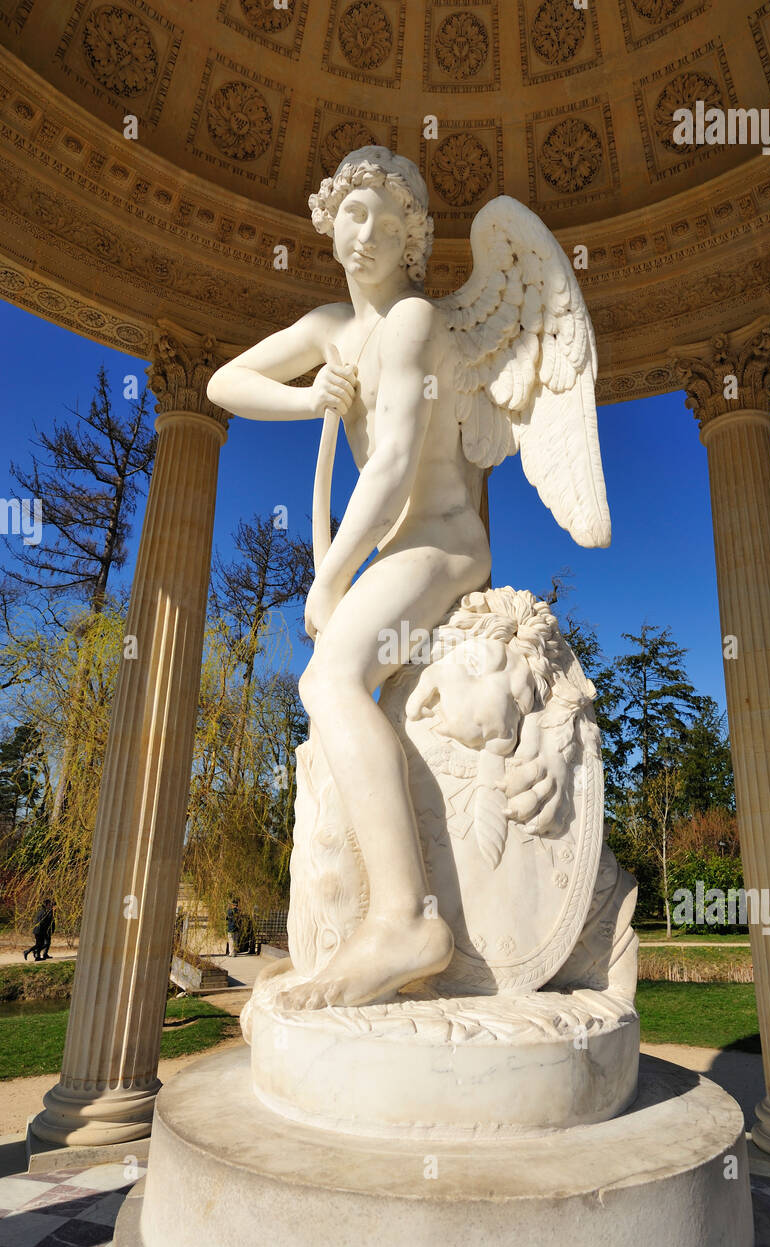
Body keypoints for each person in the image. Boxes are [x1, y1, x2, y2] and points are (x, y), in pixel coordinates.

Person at [207, 149, 489, 1009]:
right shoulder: (333, 326)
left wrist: (329, 578)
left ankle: (405, 919)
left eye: (385, 218)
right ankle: (387, 916)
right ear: (331, 227)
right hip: (393, 548)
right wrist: (312, 397)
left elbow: (397, 460)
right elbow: (224, 381)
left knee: (328, 676)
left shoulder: (411, 321)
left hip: (440, 539)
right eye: (351, 215)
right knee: (331, 680)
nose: (364, 233)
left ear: (413, 238)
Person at [23, 897, 55, 961]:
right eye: (49, 904)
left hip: (38, 930)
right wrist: (52, 911)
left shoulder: (41, 911)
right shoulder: (44, 912)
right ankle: (27, 951)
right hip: (40, 931)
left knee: (40, 944)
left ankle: (37, 957)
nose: (49, 905)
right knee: (40, 944)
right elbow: (46, 921)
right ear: (46, 904)